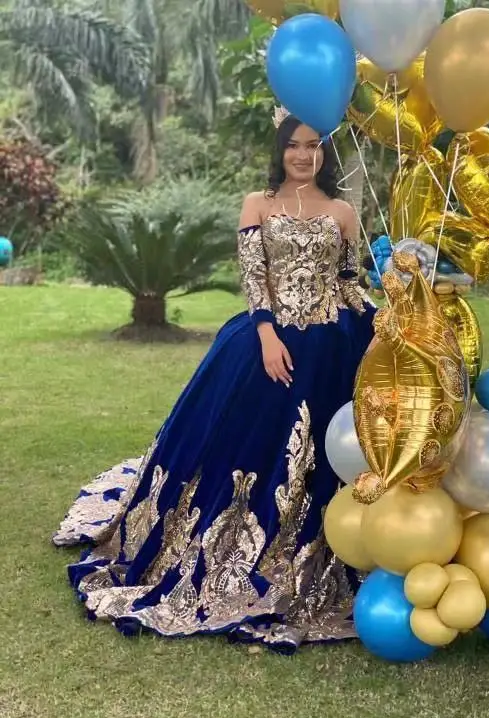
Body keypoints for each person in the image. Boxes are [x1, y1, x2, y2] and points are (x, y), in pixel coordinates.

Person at [53, 112, 377, 654]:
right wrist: (268, 335)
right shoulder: (258, 204)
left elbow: (348, 282)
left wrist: (379, 319)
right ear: (280, 150)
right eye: (293, 145)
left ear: (324, 152)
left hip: (329, 350)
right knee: (242, 446)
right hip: (266, 345)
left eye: (312, 146)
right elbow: (254, 279)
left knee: (322, 452)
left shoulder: (343, 211)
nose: (303, 155)